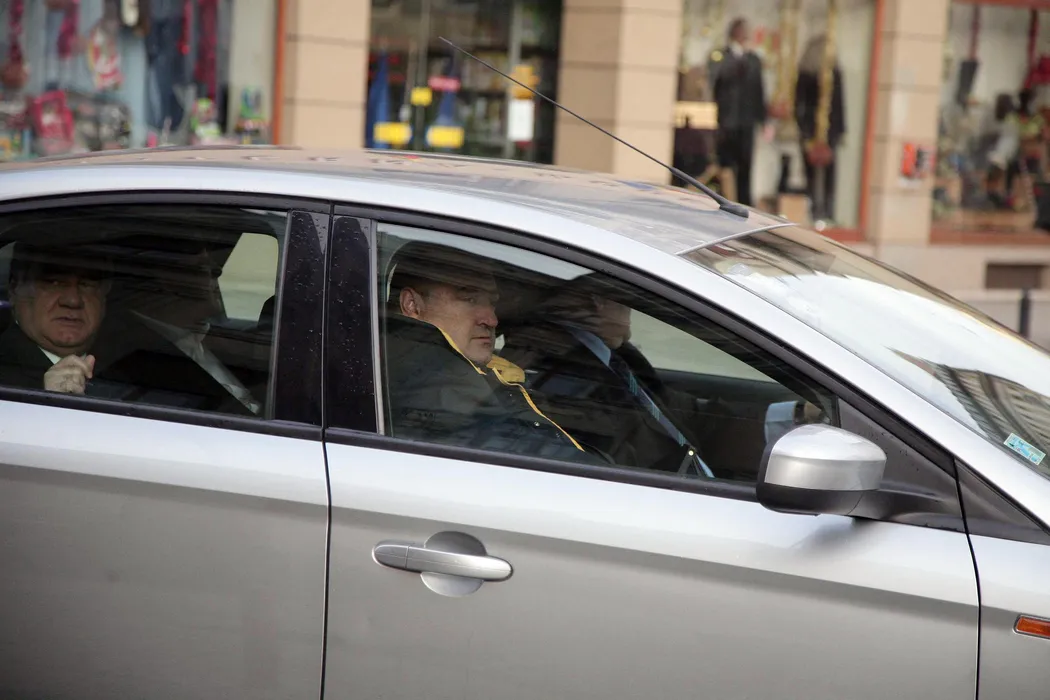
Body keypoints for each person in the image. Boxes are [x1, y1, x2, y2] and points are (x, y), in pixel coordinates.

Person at [500, 276, 827, 480]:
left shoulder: (613, 356)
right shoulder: (556, 371)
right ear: (598, 301)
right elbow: (614, 461)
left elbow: (681, 415)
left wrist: (798, 415)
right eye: (626, 299)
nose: (631, 308)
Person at [383, 241, 599, 464]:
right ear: (412, 305)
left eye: (492, 303)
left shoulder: (472, 374)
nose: (492, 320)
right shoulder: (433, 380)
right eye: (470, 299)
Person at [96, 242, 266, 415]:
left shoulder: (210, 340)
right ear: (167, 279)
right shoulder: (132, 352)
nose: (217, 271)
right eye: (201, 266)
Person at [0, 242, 112, 395]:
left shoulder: (134, 367)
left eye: (86, 284)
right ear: (15, 290)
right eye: (54, 282)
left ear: (104, 297)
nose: (73, 301)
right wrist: (44, 399)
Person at [708, 17, 768, 206]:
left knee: (745, 166)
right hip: (726, 121)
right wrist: (737, 57)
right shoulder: (721, 55)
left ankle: (744, 202)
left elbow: (759, 91)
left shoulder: (754, 59)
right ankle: (724, 199)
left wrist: (762, 120)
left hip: (746, 121)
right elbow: (717, 79)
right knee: (725, 165)